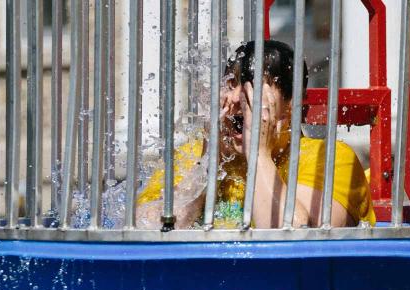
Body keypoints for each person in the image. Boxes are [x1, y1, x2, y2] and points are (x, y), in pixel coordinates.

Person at [136, 40, 376, 229]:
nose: (237, 99)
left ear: (291, 104)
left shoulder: (327, 158)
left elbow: (295, 236)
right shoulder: (192, 154)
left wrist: (259, 154)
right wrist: (209, 160)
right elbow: (150, 227)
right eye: (232, 85)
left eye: (253, 87)